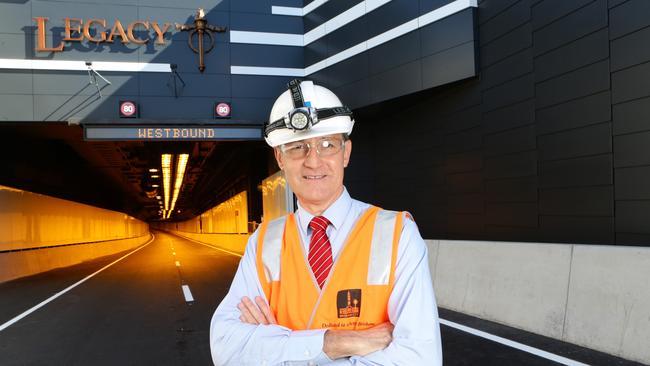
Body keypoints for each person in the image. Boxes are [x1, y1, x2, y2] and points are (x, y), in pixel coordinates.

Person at [209, 79, 442, 365]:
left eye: (328, 144)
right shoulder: (263, 242)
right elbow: (226, 349)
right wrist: (335, 343)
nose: (314, 161)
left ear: (346, 153)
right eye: (297, 148)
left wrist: (276, 348)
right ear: (280, 158)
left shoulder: (397, 234)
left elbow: (419, 359)